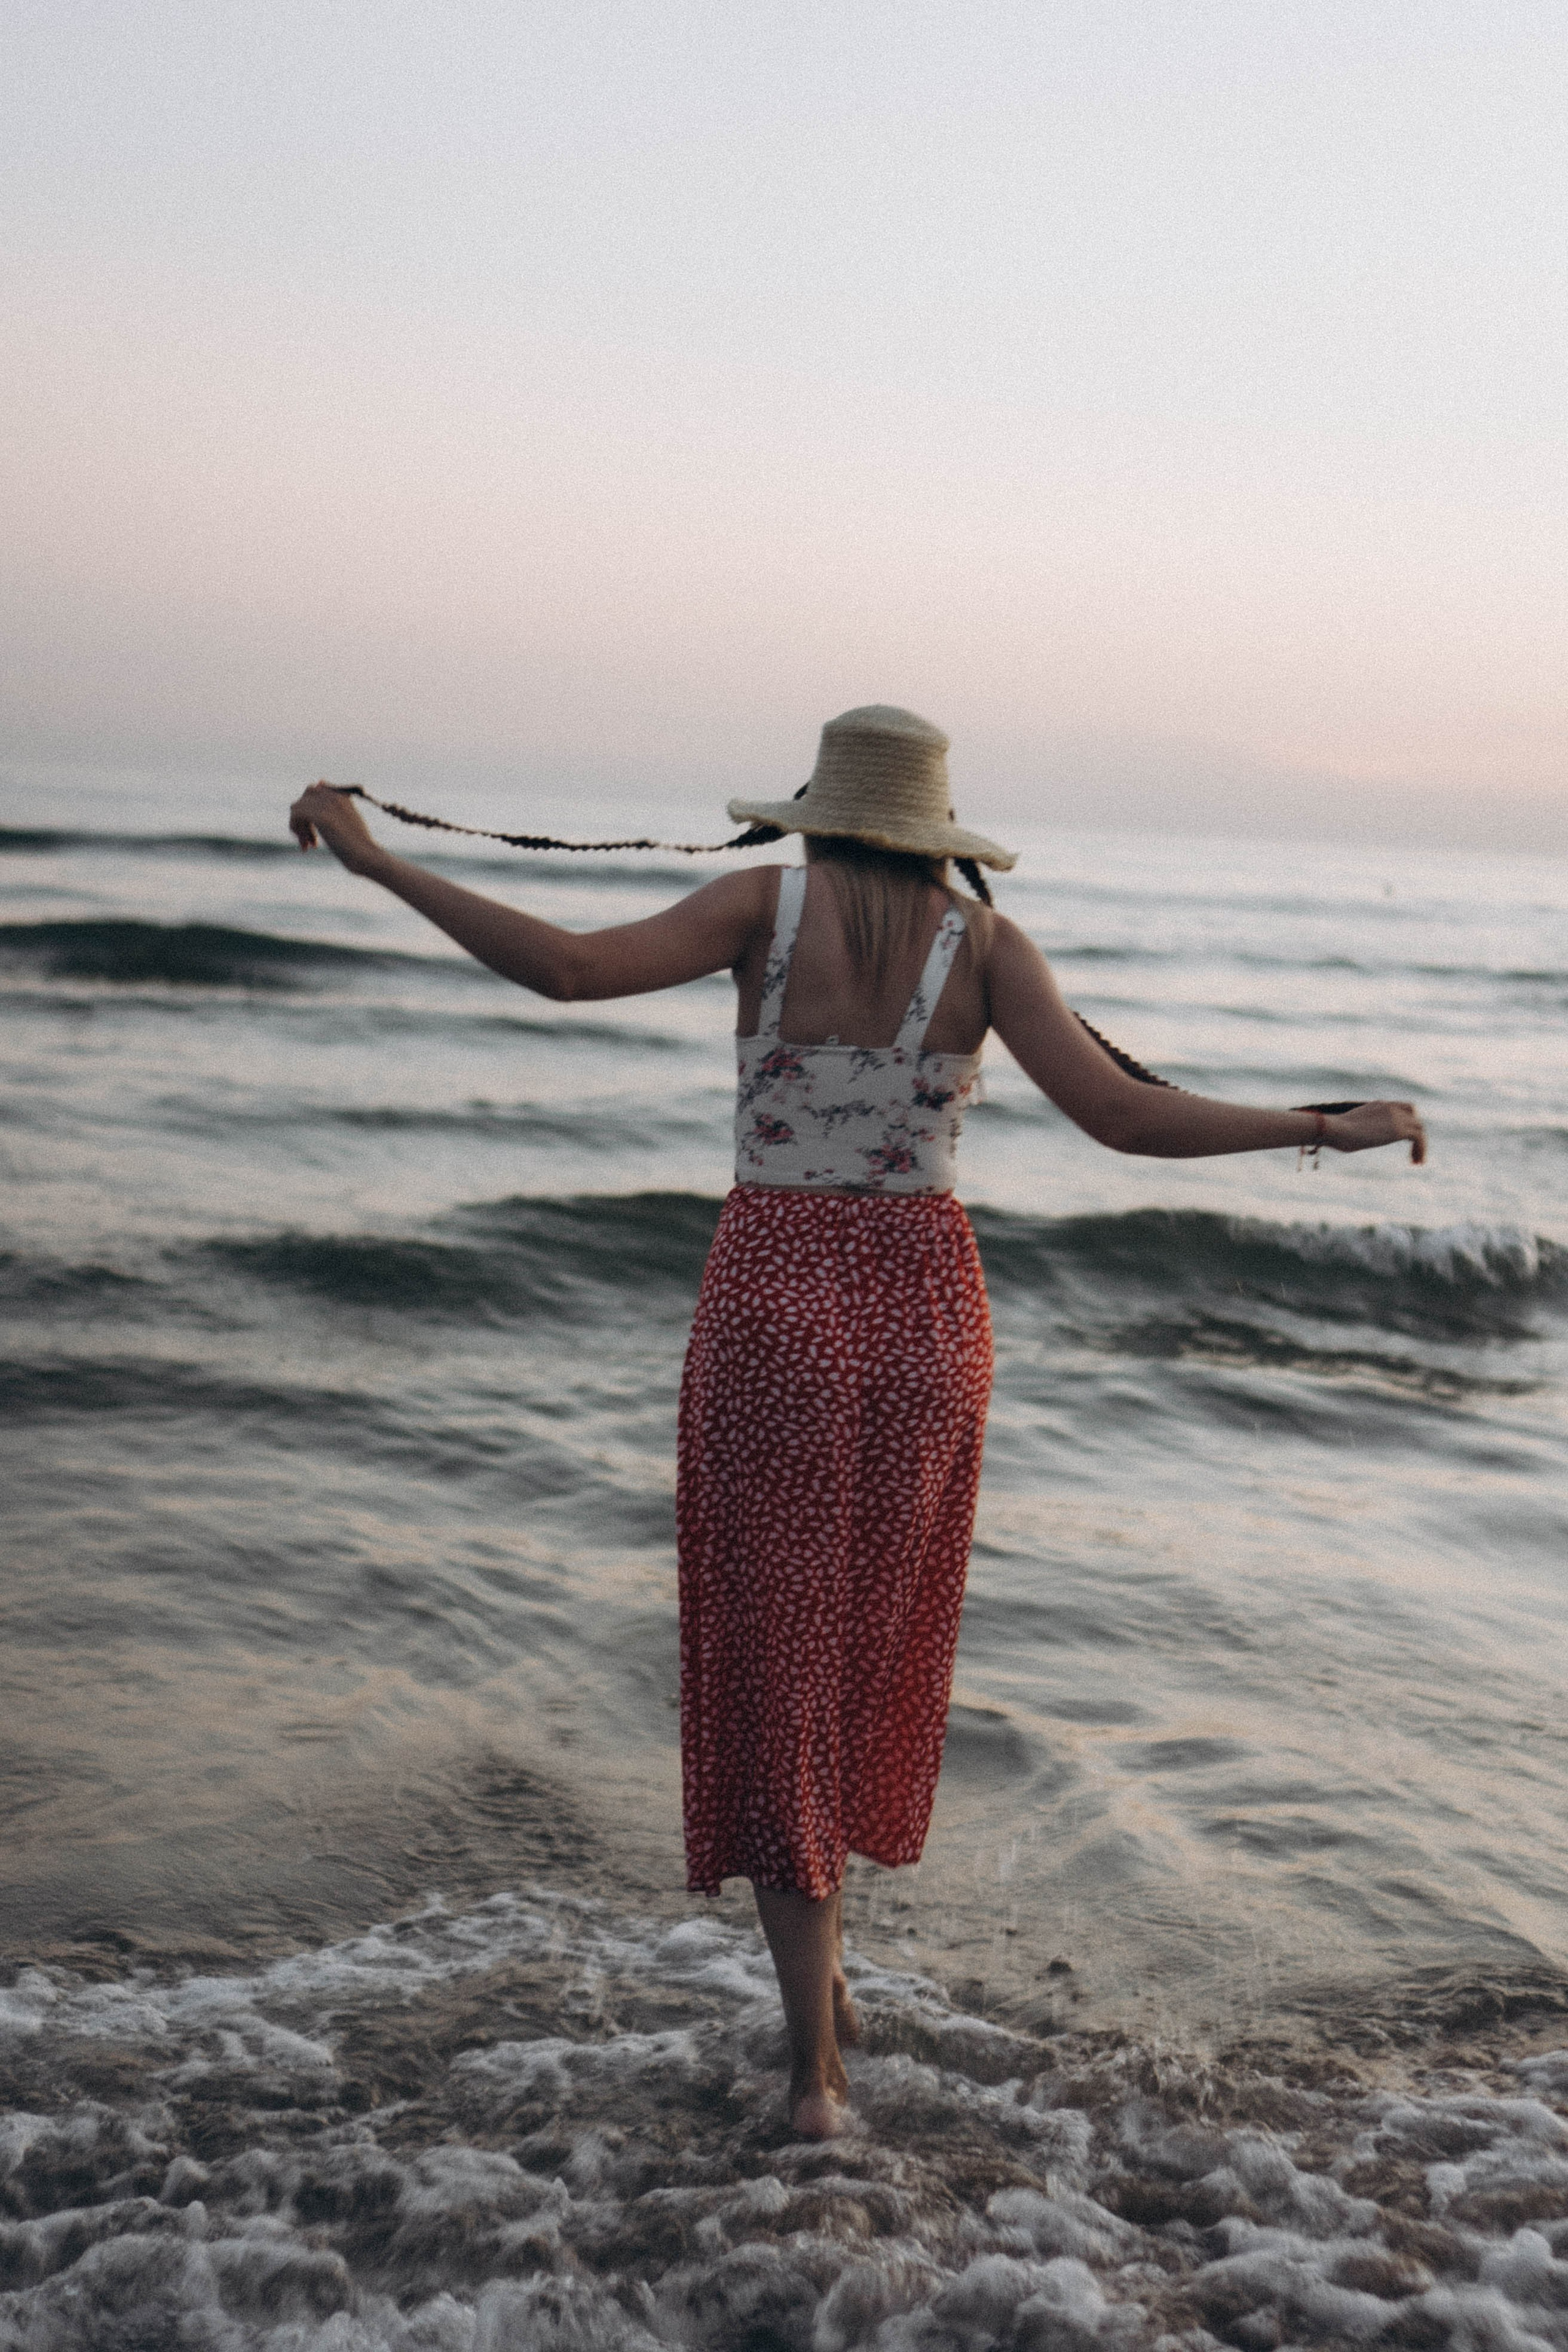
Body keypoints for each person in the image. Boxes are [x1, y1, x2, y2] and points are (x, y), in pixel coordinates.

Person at [289, 704, 1426, 2139]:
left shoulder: (759, 905)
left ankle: (812, 2080)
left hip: (775, 1294)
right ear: (935, 827)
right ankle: (826, 1992)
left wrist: (380, 862)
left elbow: (569, 971)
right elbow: (1124, 1120)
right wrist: (1322, 1125)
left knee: (777, 1664)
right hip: (927, 1318)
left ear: (819, 809)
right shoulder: (987, 946)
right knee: (862, 1656)